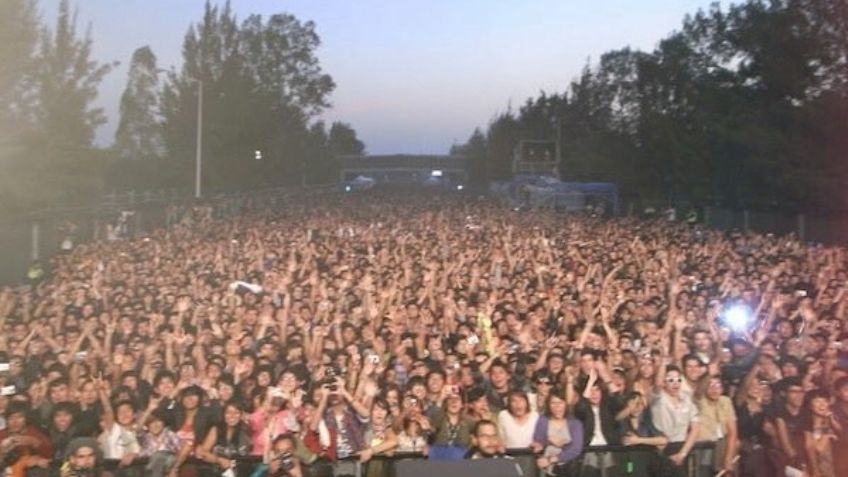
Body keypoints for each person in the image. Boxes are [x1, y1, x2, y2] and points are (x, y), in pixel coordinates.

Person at [650, 365, 701, 468]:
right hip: (661, 449)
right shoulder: (658, 398)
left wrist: (683, 453)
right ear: (664, 382)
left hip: (682, 448)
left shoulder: (687, 399)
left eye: (678, 379)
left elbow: (695, 428)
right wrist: (663, 360)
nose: (675, 383)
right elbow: (658, 385)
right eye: (671, 380)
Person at [531, 391, 584, 476]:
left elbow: (576, 448)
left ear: (565, 404)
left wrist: (553, 458)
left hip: (568, 468)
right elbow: (538, 441)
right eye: (553, 403)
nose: (557, 406)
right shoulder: (543, 420)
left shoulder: (575, 423)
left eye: (560, 403)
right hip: (546, 469)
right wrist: (547, 442)